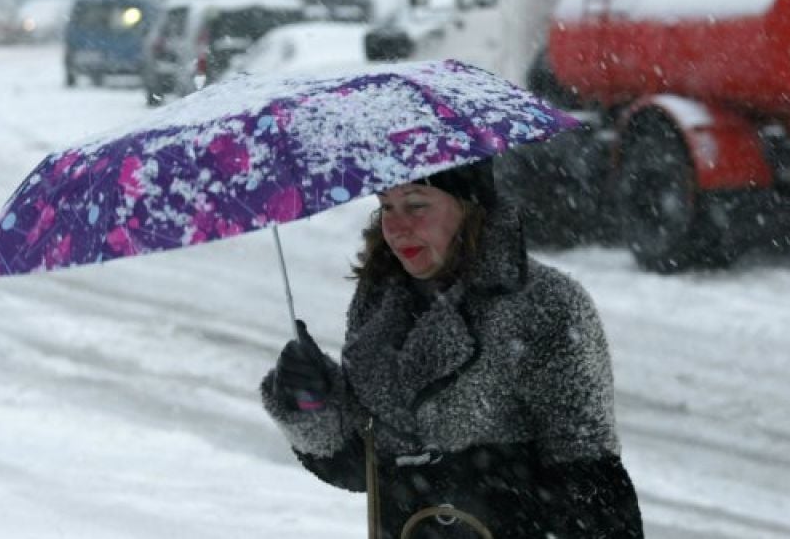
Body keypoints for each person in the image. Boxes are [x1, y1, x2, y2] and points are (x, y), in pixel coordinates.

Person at [260, 160, 644, 538]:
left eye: (416, 205)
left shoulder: (545, 304)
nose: (395, 226)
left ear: (469, 205)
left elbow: (592, 486)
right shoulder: (378, 301)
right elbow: (364, 470)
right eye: (386, 206)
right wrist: (312, 404)